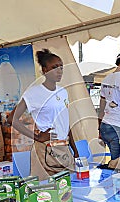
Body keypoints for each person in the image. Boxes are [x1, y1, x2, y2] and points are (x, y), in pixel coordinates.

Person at [10, 49, 79, 179]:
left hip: (64, 148)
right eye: (54, 67)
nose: (59, 71)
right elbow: (12, 119)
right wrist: (38, 137)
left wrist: (75, 151)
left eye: (61, 67)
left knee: (68, 191)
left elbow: (65, 123)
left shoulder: (63, 92)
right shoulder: (33, 93)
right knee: (46, 192)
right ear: (45, 70)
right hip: (45, 149)